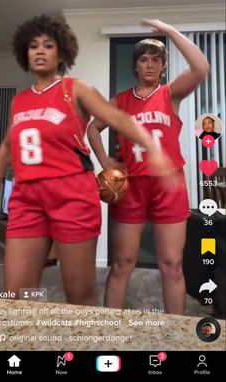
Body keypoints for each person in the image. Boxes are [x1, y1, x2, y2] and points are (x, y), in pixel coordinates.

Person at [0, 15, 173, 306]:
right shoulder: (19, 101)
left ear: (61, 52)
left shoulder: (75, 89)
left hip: (71, 194)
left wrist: (152, 148)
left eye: (48, 45)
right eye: (33, 45)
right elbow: (7, 145)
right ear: (24, 52)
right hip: (26, 197)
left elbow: (117, 118)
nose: (39, 50)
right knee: (16, 295)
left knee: (79, 294)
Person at [87, 19, 209, 314]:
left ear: (163, 66)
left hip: (170, 186)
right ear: (136, 66)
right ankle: (109, 330)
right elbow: (93, 128)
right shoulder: (121, 101)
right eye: (144, 59)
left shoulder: (171, 94)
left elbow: (201, 68)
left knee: (172, 264)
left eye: (156, 60)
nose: (150, 65)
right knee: (122, 263)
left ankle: (173, 333)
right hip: (132, 187)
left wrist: (168, 31)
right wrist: (105, 161)